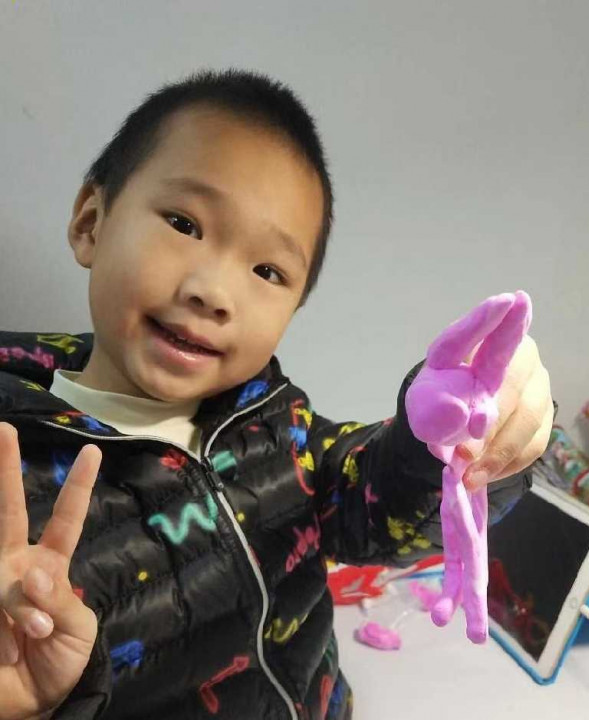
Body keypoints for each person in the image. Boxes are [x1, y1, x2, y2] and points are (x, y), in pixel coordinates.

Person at [0, 68, 553, 719]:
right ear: (91, 222)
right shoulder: (12, 461)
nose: (214, 292)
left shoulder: (276, 423)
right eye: (184, 223)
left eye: (268, 270)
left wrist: (446, 440)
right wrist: (35, 706)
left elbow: (377, 506)